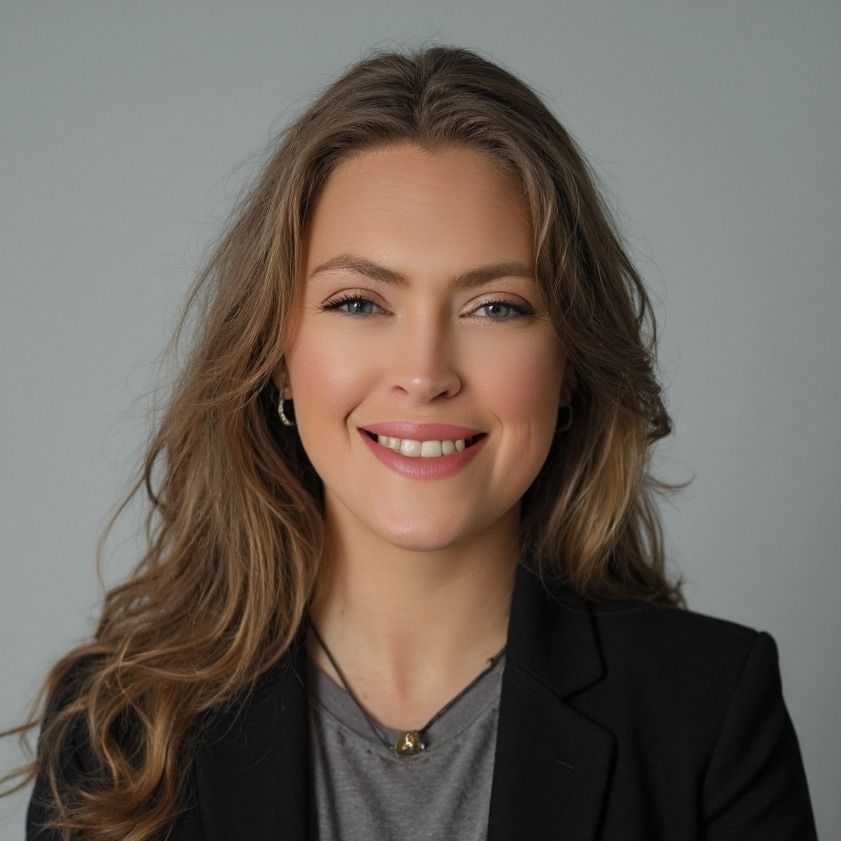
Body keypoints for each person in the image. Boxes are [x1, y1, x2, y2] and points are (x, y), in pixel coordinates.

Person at [2, 44, 817, 841]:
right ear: (276, 358)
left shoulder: (708, 713)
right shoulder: (116, 727)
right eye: (358, 302)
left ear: (569, 363)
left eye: (495, 306)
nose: (423, 373)